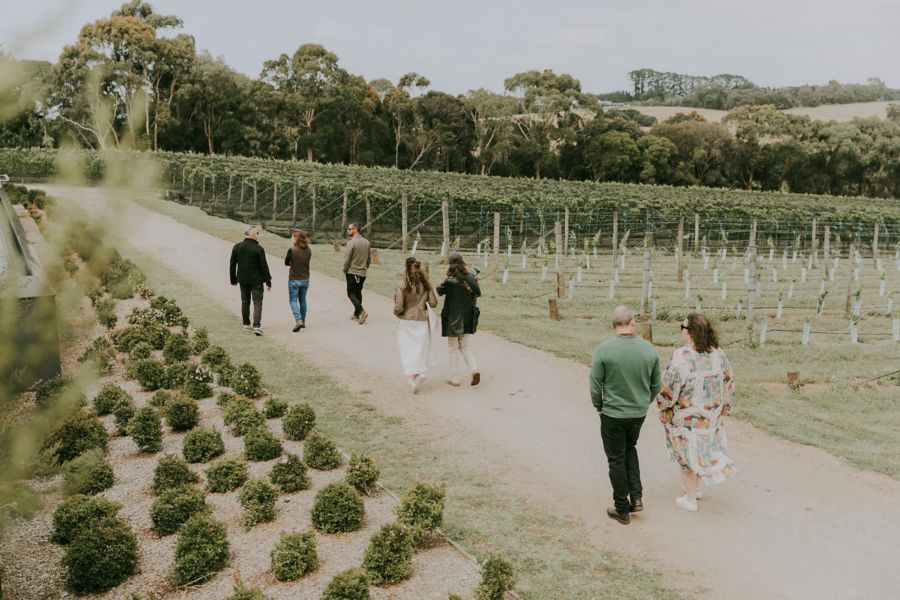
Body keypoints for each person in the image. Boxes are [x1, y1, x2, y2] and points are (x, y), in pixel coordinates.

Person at [657, 313, 737, 513]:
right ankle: (696, 488)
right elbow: (729, 382)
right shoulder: (719, 354)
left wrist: (662, 405)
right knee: (701, 450)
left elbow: (670, 387)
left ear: (690, 332)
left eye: (683, 327)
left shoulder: (681, 356)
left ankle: (690, 499)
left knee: (685, 455)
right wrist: (725, 407)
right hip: (710, 416)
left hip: (685, 417)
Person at [589, 305, 661, 525]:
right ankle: (636, 497)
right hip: (638, 413)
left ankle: (622, 507)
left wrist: (599, 406)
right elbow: (656, 385)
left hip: (613, 413)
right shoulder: (649, 350)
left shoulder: (604, 349)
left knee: (616, 459)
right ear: (633, 323)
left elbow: (595, 383)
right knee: (630, 448)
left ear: (613, 326)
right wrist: (643, 403)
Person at [394, 257, 438, 393]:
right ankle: (418, 374)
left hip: (407, 321)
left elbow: (399, 307)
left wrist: (396, 312)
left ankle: (414, 377)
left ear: (405, 269)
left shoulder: (402, 286)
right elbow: (433, 303)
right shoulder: (426, 285)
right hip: (422, 321)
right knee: (419, 349)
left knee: (407, 350)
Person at [436, 253, 481, 386]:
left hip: (452, 317)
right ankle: (474, 369)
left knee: (453, 348)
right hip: (467, 316)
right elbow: (478, 292)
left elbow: (439, 290)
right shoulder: (470, 277)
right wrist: (473, 281)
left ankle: (455, 378)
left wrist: (447, 278)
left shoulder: (450, 281)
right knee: (465, 345)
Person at [229, 226, 272, 336]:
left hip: (243, 279)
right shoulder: (258, 249)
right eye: (257, 233)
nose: (257, 235)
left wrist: (233, 279)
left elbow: (232, 264)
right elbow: (264, 266)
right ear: (253, 235)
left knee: (245, 301)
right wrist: (268, 281)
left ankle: (246, 324)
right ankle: (257, 326)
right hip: (256, 280)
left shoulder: (237, 247)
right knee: (257, 302)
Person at [343, 222, 370, 324]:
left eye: (349, 229)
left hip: (352, 271)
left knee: (350, 293)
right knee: (358, 292)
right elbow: (369, 259)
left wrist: (345, 269)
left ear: (355, 229)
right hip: (362, 272)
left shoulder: (351, 243)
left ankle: (362, 312)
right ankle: (356, 313)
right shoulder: (367, 242)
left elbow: (347, 259)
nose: (348, 231)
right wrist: (365, 268)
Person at [284, 229, 311, 332]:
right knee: (303, 300)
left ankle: (298, 320)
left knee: (293, 300)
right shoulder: (308, 250)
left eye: (292, 236)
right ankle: (303, 321)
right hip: (305, 279)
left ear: (296, 238)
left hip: (294, 279)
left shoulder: (292, 250)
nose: (291, 238)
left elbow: (286, 262)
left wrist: (292, 263)